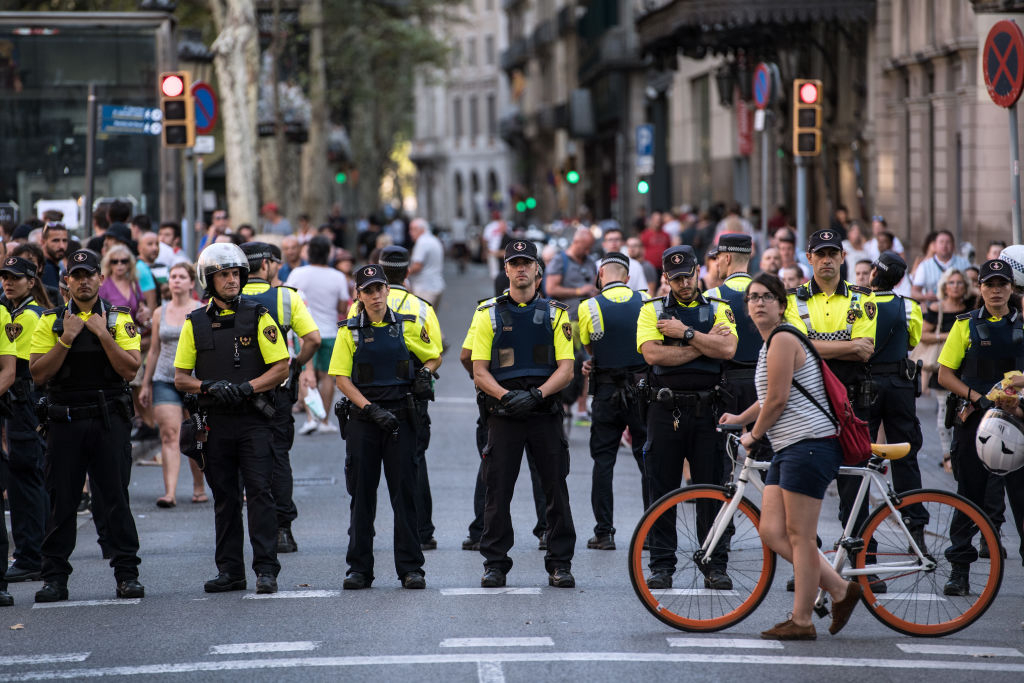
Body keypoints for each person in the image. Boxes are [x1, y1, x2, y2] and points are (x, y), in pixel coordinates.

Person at [721, 273, 860, 640]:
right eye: (753, 298)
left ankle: (802, 621)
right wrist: (741, 418)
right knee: (771, 530)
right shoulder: (771, 345)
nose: (759, 303)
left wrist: (752, 436)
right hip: (790, 446)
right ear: (747, 308)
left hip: (810, 443)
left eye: (767, 297)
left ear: (781, 305)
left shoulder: (782, 338)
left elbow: (779, 400)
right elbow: (771, 396)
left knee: (800, 536)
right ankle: (842, 589)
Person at [173, 243, 289, 595]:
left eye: (235, 273)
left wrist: (247, 389)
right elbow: (180, 377)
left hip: (253, 420)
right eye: (223, 274)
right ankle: (230, 571)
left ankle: (266, 570)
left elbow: (281, 367)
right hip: (215, 422)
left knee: (260, 494)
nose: (231, 280)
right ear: (208, 280)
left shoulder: (258, 315)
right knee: (224, 499)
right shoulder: (194, 323)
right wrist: (207, 386)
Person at [28, 249, 144, 603]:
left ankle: (127, 575)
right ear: (66, 281)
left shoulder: (117, 319)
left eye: (88, 274)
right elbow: (38, 374)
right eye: (76, 275)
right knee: (61, 501)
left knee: (115, 500)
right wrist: (66, 339)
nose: (83, 281)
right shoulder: (51, 322)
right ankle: (54, 578)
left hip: (108, 419)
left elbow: (130, 369)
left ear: (100, 279)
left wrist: (101, 334)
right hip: (65, 422)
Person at [470, 239, 577, 588]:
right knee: (497, 490)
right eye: (514, 263)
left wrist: (536, 395)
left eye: (526, 263)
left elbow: (566, 369)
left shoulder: (557, 314)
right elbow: (479, 370)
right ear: (505, 270)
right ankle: (495, 564)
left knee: (555, 489)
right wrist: (506, 396)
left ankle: (560, 564)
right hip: (503, 413)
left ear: (537, 270)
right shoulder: (487, 312)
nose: (520, 269)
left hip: (543, 411)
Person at [329, 264, 440, 589]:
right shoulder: (348, 331)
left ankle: (411, 568)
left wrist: (424, 373)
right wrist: (370, 409)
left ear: (388, 290)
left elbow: (434, 356)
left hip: (401, 419)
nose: (375, 296)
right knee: (362, 496)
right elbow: (341, 378)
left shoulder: (406, 325)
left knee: (404, 495)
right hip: (365, 420)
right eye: (368, 291)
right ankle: (359, 569)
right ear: (359, 296)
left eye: (379, 289)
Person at [784, 229, 881, 591]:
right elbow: (793, 349)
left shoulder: (863, 298)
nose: (826, 260)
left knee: (854, 491)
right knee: (804, 494)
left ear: (843, 257)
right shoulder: (792, 301)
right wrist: (844, 342)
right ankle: (809, 569)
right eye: (819, 254)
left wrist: (813, 344)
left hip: (851, 405)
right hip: (808, 405)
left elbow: (865, 349)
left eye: (832, 253)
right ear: (809, 259)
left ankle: (864, 567)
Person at [638, 245, 738, 590]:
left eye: (689, 275)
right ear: (666, 278)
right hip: (665, 411)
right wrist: (704, 346)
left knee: (711, 491)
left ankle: (715, 564)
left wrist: (685, 335)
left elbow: (728, 350)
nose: (684, 283)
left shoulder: (719, 307)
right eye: (676, 278)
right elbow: (653, 354)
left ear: (699, 271)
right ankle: (662, 565)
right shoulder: (651, 311)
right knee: (662, 490)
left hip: (708, 410)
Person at [937, 259, 1024, 594]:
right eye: (990, 284)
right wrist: (979, 398)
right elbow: (944, 375)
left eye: (1002, 284)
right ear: (981, 288)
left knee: (1021, 500)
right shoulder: (964, 325)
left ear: (1011, 288)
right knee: (969, 497)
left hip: (1017, 422)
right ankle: (959, 570)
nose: (996, 290)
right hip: (974, 422)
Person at [352, 246, 444, 550]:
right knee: (412, 465)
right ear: (408, 271)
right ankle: (422, 531)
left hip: (366, 400)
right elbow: (435, 353)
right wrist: (425, 374)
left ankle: (364, 539)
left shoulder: (359, 307)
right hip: (409, 399)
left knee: (365, 479)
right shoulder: (421, 307)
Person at [241, 241, 322, 554]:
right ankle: (282, 530)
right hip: (276, 390)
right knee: (277, 457)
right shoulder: (286, 298)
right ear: (266, 266)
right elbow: (313, 339)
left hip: (236, 391)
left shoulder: (222, 297)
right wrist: (296, 363)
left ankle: (242, 537)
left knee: (239, 459)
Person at [459, 287, 549, 552]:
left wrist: (484, 381)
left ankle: (480, 531)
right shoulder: (548, 313)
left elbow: (466, 356)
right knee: (542, 470)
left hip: (497, 403)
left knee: (491, 470)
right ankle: (545, 529)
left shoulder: (487, 310)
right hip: (539, 404)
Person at [577, 252, 648, 550]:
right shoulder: (646, 301)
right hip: (642, 390)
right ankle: (652, 530)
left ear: (601, 276)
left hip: (606, 391)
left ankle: (604, 533)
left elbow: (589, 346)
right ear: (628, 278)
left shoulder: (588, 306)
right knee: (647, 458)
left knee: (603, 461)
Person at [866, 252, 927, 548]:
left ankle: (860, 530)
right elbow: (912, 341)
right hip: (900, 385)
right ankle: (915, 528)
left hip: (866, 385)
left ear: (873, 274)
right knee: (905, 453)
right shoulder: (910, 307)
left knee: (860, 454)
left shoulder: (858, 304)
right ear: (901, 279)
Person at [139, 262, 206, 507]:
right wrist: (146, 384)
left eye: (181, 276)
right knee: (169, 435)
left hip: (194, 380)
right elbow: (154, 350)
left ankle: (199, 487)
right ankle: (170, 492)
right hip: (164, 378)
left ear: (191, 282)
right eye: (172, 276)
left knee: (196, 435)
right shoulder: (160, 311)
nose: (176, 280)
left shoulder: (201, 309)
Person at [1, 257, 48, 584]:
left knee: (25, 477)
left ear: (31, 282)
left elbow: (17, 368)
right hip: (22, 403)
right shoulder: (17, 312)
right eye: (5, 277)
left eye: (16, 278)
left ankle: (32, 554)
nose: (8, 283)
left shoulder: (28, 316)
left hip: (23, 403)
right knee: (26, 477)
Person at [705, 234, 764, 457]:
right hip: (762, 383)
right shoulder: (767, 294)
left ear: (727, 258)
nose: (716, 263)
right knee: (766, 459)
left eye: (717, 257)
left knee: (723, 459)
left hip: (725, 384)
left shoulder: (712, 297)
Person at [285, 236, 351, 434]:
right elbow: (342, 306)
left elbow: (287, 298)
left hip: (304, 332)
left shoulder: (298, 273)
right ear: (328, 253)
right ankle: (324, 421)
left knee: (305, 372)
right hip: (330, 331)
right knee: (328, 377)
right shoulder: (337, 276)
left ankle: (310, 418)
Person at [923, 268, 972, 471]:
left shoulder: (971, 306)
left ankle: (960, 452)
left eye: (960, 282)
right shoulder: (937, 308)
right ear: (944, 286)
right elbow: (923, 336)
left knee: (965, 410)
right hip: (944, 363)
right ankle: (946, 455)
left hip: (967, 365)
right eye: (951, 283)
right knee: (944, 410)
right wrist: (947, 337)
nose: (955, 286)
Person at [912, 230, 972, 303]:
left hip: (961, 308)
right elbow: (914, 292)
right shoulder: (924, 266)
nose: (944, 245)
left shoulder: (964, 263)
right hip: (934, 308)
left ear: (953, 246)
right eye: (941, 242)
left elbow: (972, 285)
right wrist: (926, 296)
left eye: (948, 242)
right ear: (935, 245)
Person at [408, 218, 446, 308]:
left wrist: (403, 273)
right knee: (431, 320)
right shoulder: (434, 240)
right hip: (437, 286)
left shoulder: (422, 243)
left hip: (424, 288)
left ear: (422, 229)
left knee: (422, 320)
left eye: (413, 229)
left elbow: (417, 266)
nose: (410, 233)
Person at [601, 227, 648, 294]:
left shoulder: (635, 265)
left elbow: (642, 291)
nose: (614, 243)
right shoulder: (597, 265)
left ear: (623, 243)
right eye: (610, 240)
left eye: (617, 239)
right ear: (604, 244)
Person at [41, 222, 67, 291]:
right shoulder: (45, 268)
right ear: (43, 242)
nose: (62, 246)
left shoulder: (54, 267)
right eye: (56, 241)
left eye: (64, 240)